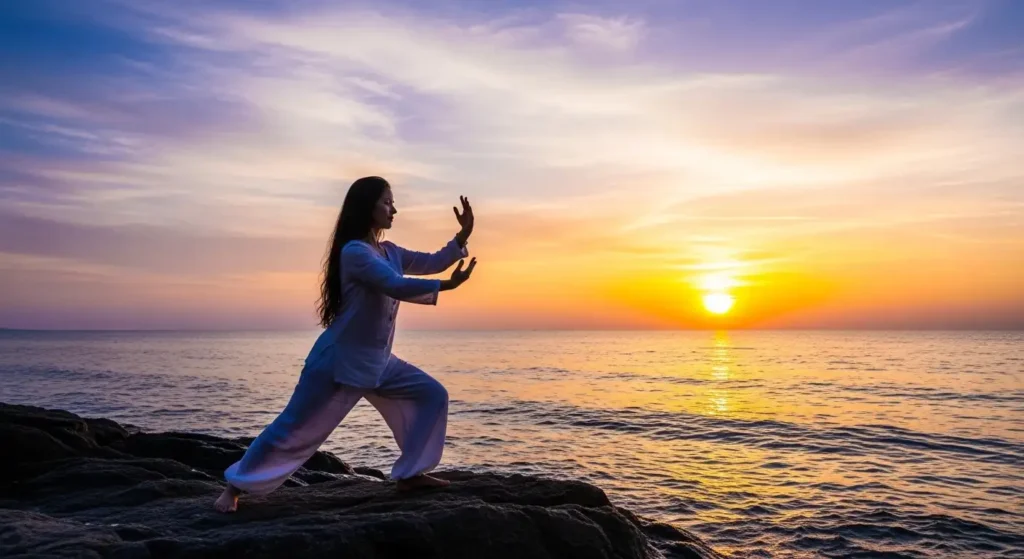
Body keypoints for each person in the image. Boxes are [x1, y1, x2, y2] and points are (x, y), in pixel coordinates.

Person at [214, 176, 477, 513]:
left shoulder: (390, 251)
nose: (394, 209)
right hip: (338, 363)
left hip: (379, 363)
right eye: (387, 202)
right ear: (368, 207)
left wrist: (462, 236)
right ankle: (233, 488)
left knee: (432, 395)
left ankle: (410, 474)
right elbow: (393, 285)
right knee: (292, 428)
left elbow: (432, 261)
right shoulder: (355, 252)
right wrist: (447, 287)